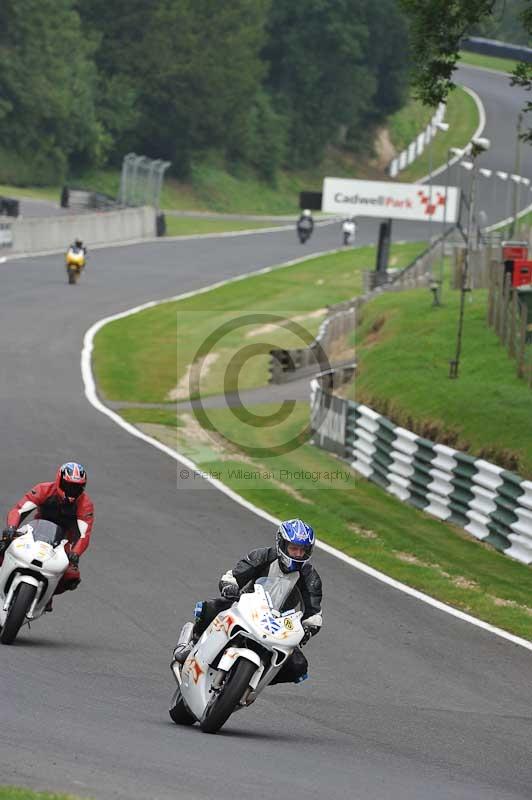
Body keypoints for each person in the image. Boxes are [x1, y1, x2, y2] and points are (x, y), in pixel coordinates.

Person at [172, 519, 323, 684]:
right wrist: (230, 586)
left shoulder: (310, 577)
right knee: (211, 607)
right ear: (282, 544)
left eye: (303, 550)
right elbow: (233, 576)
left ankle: (252, 681)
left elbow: (314, 613)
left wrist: (309, 628)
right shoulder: (262, 556)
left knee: (299, 667)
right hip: (246, 607)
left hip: (279, 626)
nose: (298, 554)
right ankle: (193, 644)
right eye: (294, 548)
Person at [1, 462, 94, 612]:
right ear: (59, 480)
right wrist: (12, 528)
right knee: (3, 545)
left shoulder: (85, 504)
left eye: (77, 487)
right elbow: (19, 510)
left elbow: (84, 534)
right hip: (35, 530)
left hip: (64, 541)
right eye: (68, 485)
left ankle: (47, 596)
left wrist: (75, 553)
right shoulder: (44, 489)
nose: (72, 490)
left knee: (71, 576)